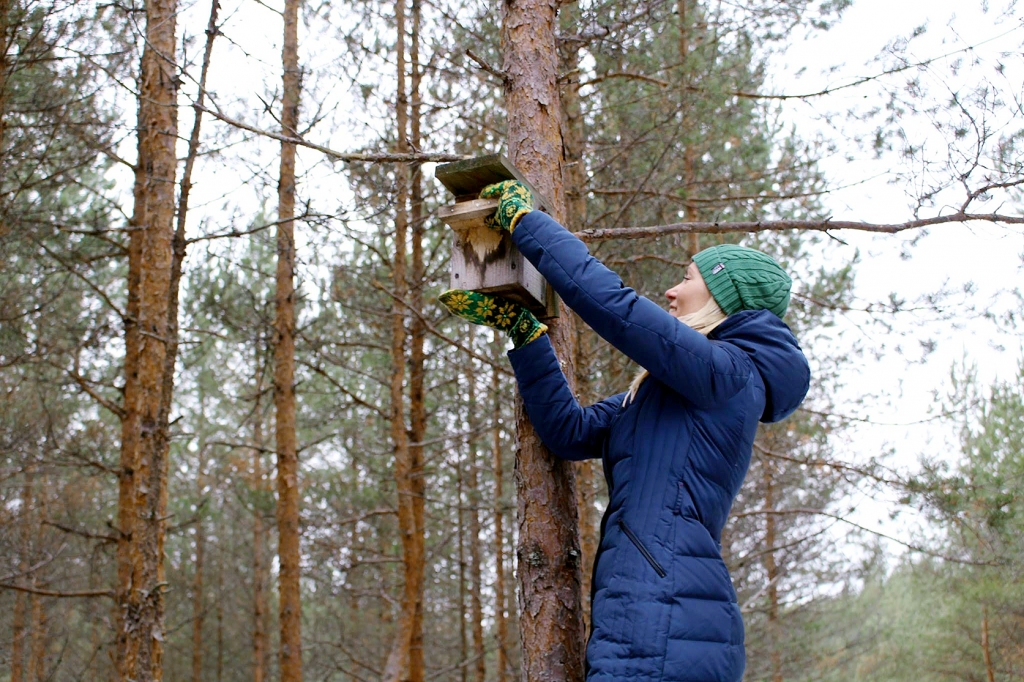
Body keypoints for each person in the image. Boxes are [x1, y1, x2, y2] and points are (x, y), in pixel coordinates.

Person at [439, 180, 810, 682]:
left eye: (688, 278)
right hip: (647, 612)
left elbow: (616, 307)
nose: (673, 291)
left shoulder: (729, 376)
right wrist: (526, 338)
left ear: (723, 296)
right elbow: (570, 432)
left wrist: (527, 223)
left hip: (667, 620)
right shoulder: (668, 392)